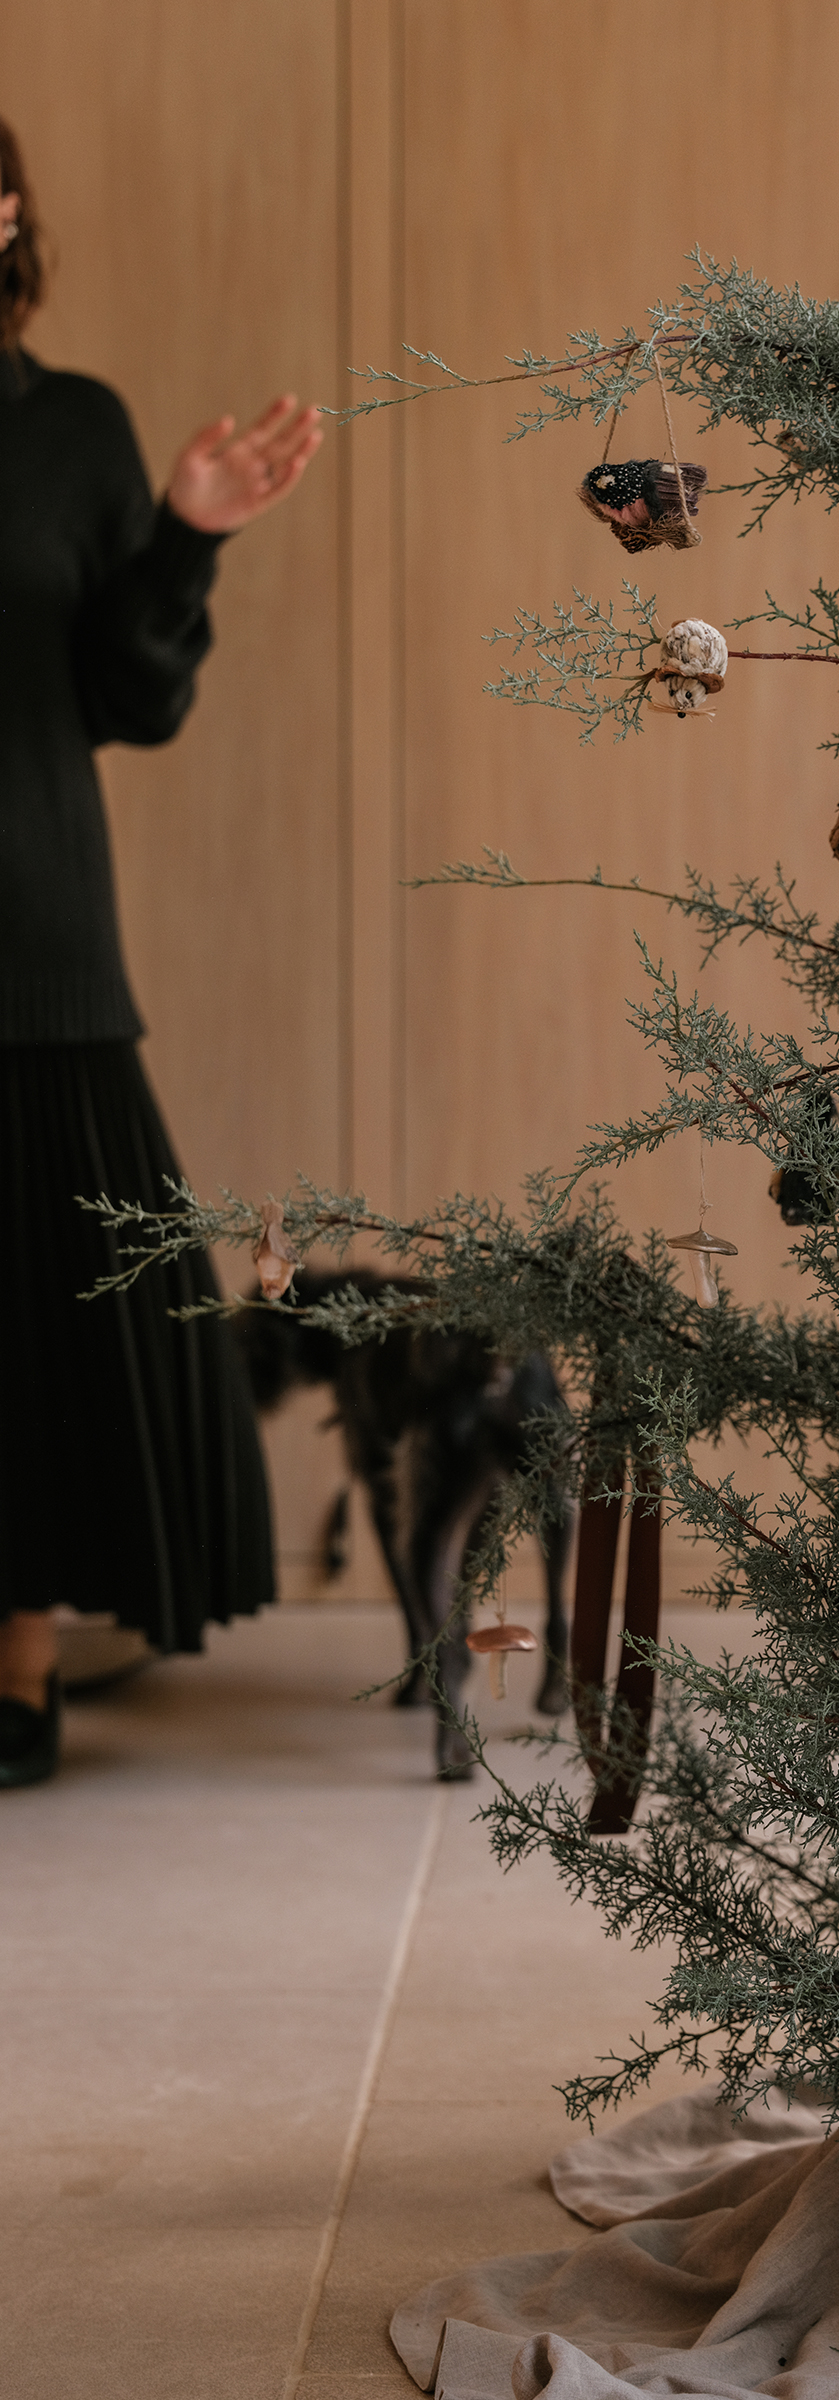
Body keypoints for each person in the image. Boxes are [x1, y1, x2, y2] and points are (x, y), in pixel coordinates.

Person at [0, 119, 322, 1786]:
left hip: (31, 942)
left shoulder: (71, 432)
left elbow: (133, 700)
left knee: (43, 1327)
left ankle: (18, 1660)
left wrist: (186, 535)